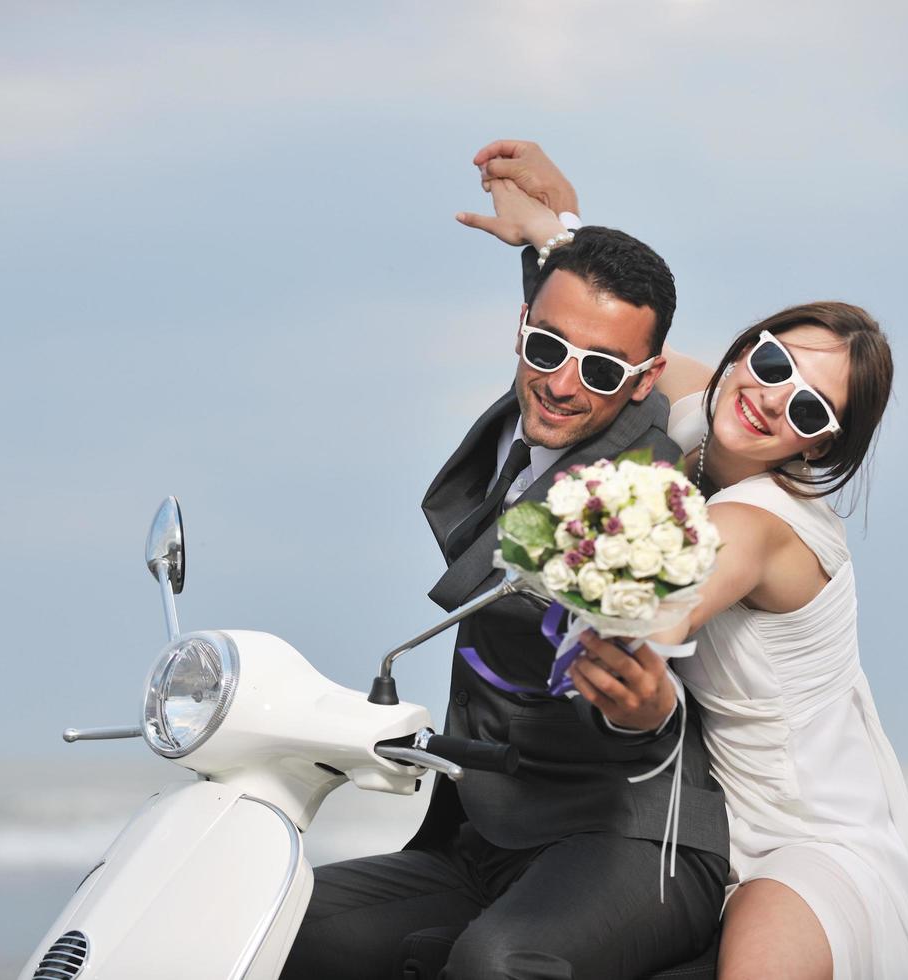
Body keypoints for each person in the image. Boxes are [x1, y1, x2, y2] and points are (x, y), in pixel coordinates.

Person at [461, 141, 908, 980]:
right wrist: (559, 235)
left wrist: (629, 650)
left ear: (824, 447)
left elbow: (679, 596)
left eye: (807, 406)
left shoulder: (763, 518)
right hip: (701, 815)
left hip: (805, 833)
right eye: (770, 362)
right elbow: (613, 353)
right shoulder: (700, 417)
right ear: (746, 349)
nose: (769, 396)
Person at [281, 227, 730, 980]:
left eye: (600, 369)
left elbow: (639, 667)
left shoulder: (638, 496)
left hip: (632, 839)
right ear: (523, 327)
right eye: (546, 349)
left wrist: (638, 711)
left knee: (498, 963)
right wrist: (549, 224)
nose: (560, 383)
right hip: (486, 832)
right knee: (271, 924)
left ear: (646, 379)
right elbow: (573, 302)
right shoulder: (542, 395)